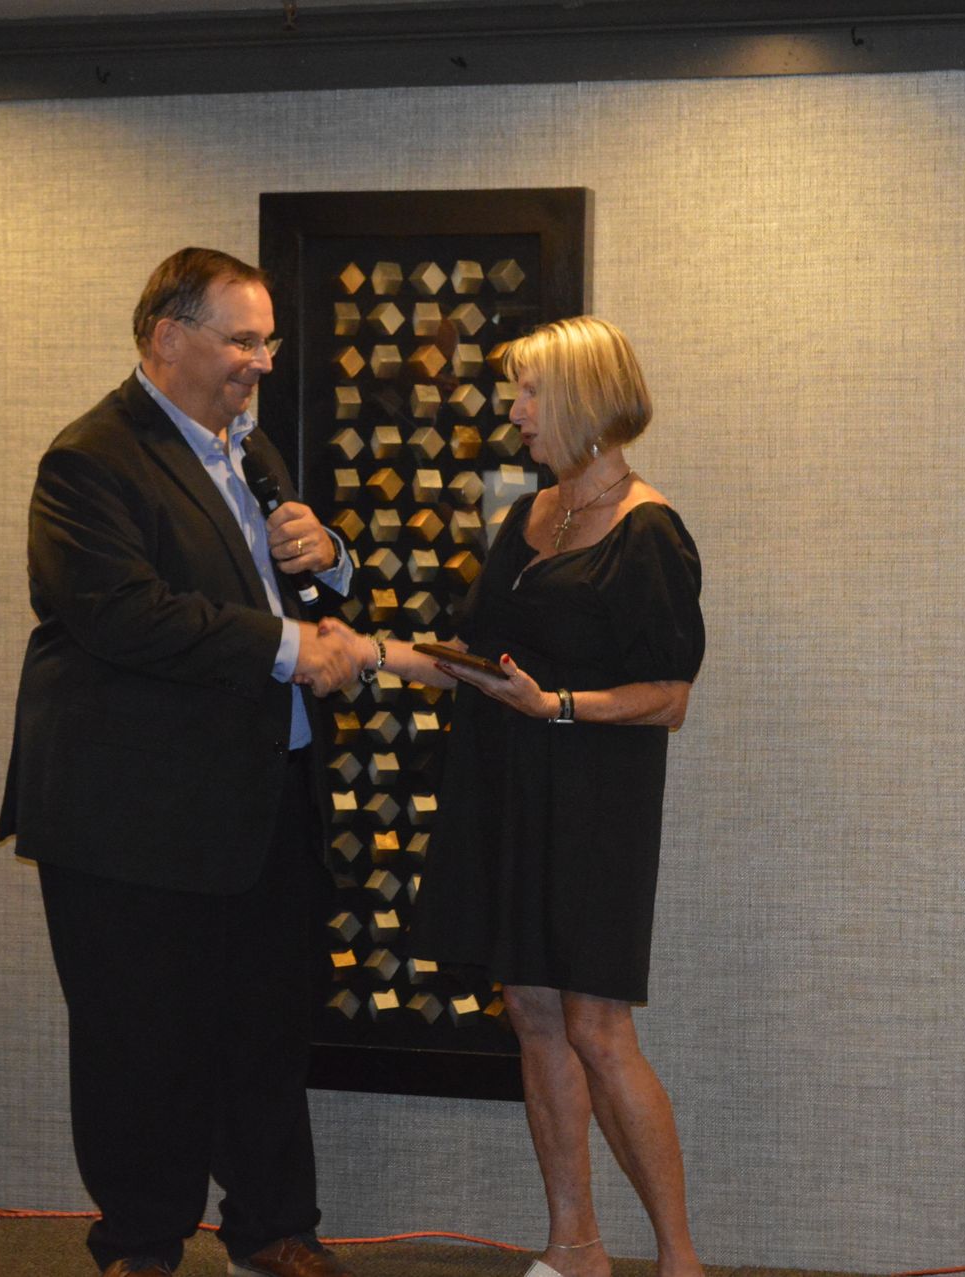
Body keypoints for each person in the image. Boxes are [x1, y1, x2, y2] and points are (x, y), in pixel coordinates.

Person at [0, 247, 363, 1277]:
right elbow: (121, 614)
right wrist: (295, 647)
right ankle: (141, 1243)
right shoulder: (90, 459)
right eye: (243, 339)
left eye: (267, 340)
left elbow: (296, 595)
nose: (261, 361)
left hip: (259, 800)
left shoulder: (251, 450)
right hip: (132, 817)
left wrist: (327, 555)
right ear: (169, 337)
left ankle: (274, 1225)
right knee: (139, 1041)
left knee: (264, 1031)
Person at [323, 315, 706, 1277]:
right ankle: (575, 1244)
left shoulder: (650, 530)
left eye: (530, 392)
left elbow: (669, 696)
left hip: (592, 802)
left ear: (579, 398)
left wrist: (559, 704)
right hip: (504, 787)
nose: (516, 411)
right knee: (532, 1011)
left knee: (598, 1027)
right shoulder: (527, 518)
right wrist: (365, 652)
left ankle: (680, 1260)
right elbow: (472, 662)